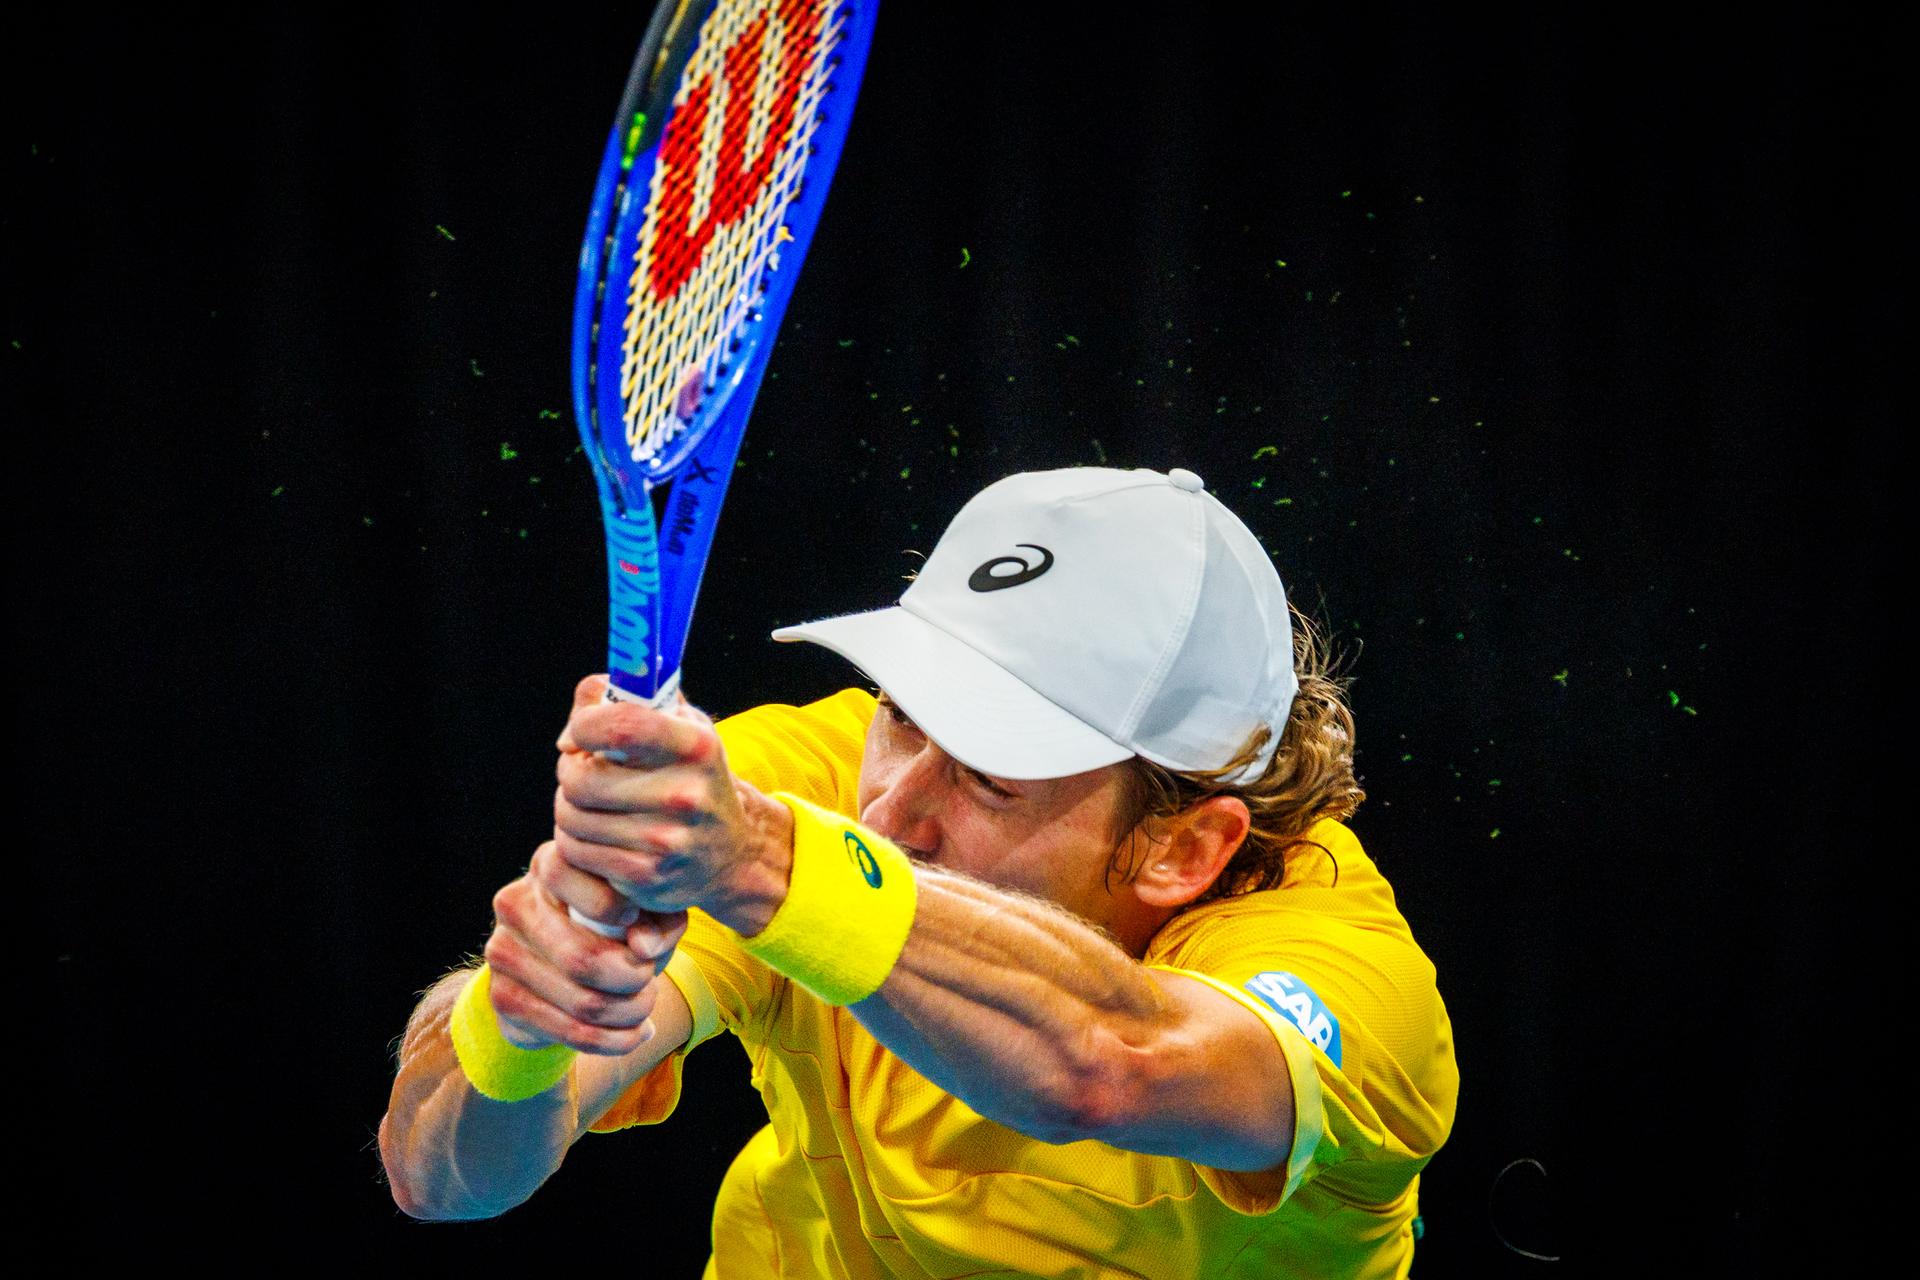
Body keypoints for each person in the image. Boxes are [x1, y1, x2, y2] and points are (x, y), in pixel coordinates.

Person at [380, 465, 1458, 1278]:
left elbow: (1110, 1057)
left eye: (992, 777)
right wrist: (519, 1025)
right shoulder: (797, 787)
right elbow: (439, 1178)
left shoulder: (1354, 985)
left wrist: (762, 859)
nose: (891, 810)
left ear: (1183, 847)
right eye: (903, 712)